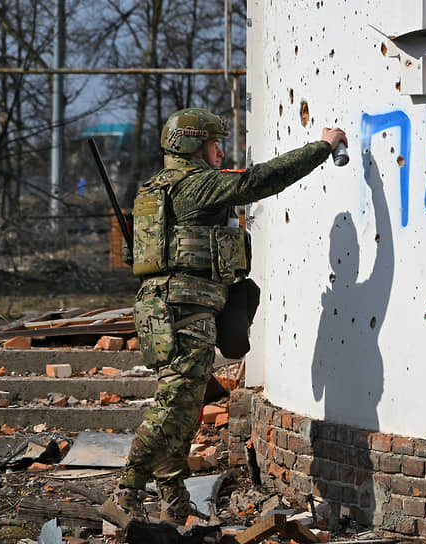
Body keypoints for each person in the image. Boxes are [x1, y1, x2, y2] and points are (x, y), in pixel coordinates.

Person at [98, 108, 347, 527]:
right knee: (172, 407)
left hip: (168, 308)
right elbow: (257, 181)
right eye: (214, 143)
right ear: (194, 145)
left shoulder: (154, 189)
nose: (220, 151)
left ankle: (174, 502)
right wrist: (321, 147)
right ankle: (126, 492)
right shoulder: (196, 185)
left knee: (183, 407)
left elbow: (138, 255)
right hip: (184, 310)